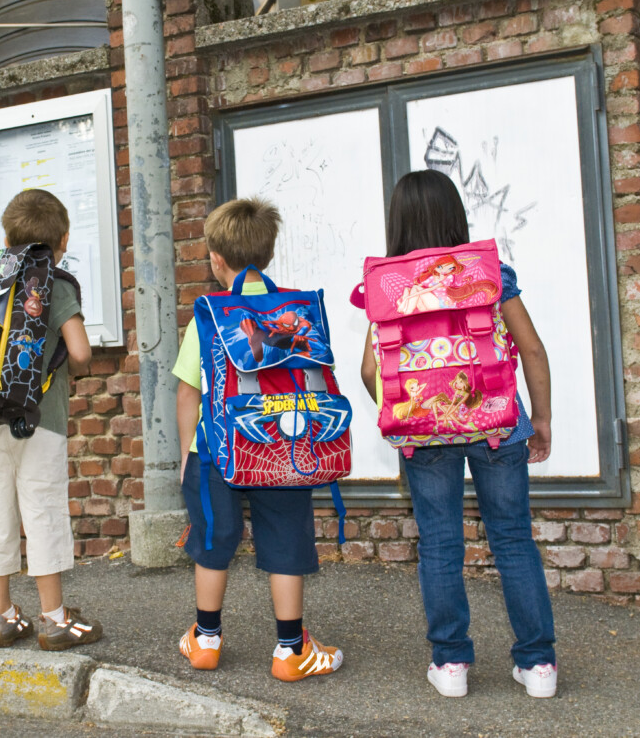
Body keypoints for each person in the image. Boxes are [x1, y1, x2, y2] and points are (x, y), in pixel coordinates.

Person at [360, 170, 557, 698]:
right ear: (455, 216)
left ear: (398, 220)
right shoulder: (490, 274)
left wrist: (403, 414)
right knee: (513, 538)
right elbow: (532, 349)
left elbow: (368, 370)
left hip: (424, 434)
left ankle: (451, 666)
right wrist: (540, 418)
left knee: (441, 543)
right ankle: (538, 667)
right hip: (496, 423)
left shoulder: (387, 285)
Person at [172, 197, 343, 682]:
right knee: (286, 540)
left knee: (214, 538)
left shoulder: (208, 314)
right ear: (268, 254)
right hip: (283, 444)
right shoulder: (297, 310)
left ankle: (206, 641)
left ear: (215, 260)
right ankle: (291, 651)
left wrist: (189, 452)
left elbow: (189, 392)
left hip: (217, 449)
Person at [0, 188, 102, 651]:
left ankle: (1, 617)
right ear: (62, 239)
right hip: (41, 418)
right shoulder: (54, 285)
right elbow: (79, 351)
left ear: (7, 237)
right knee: (42, 510)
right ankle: (55, 619)